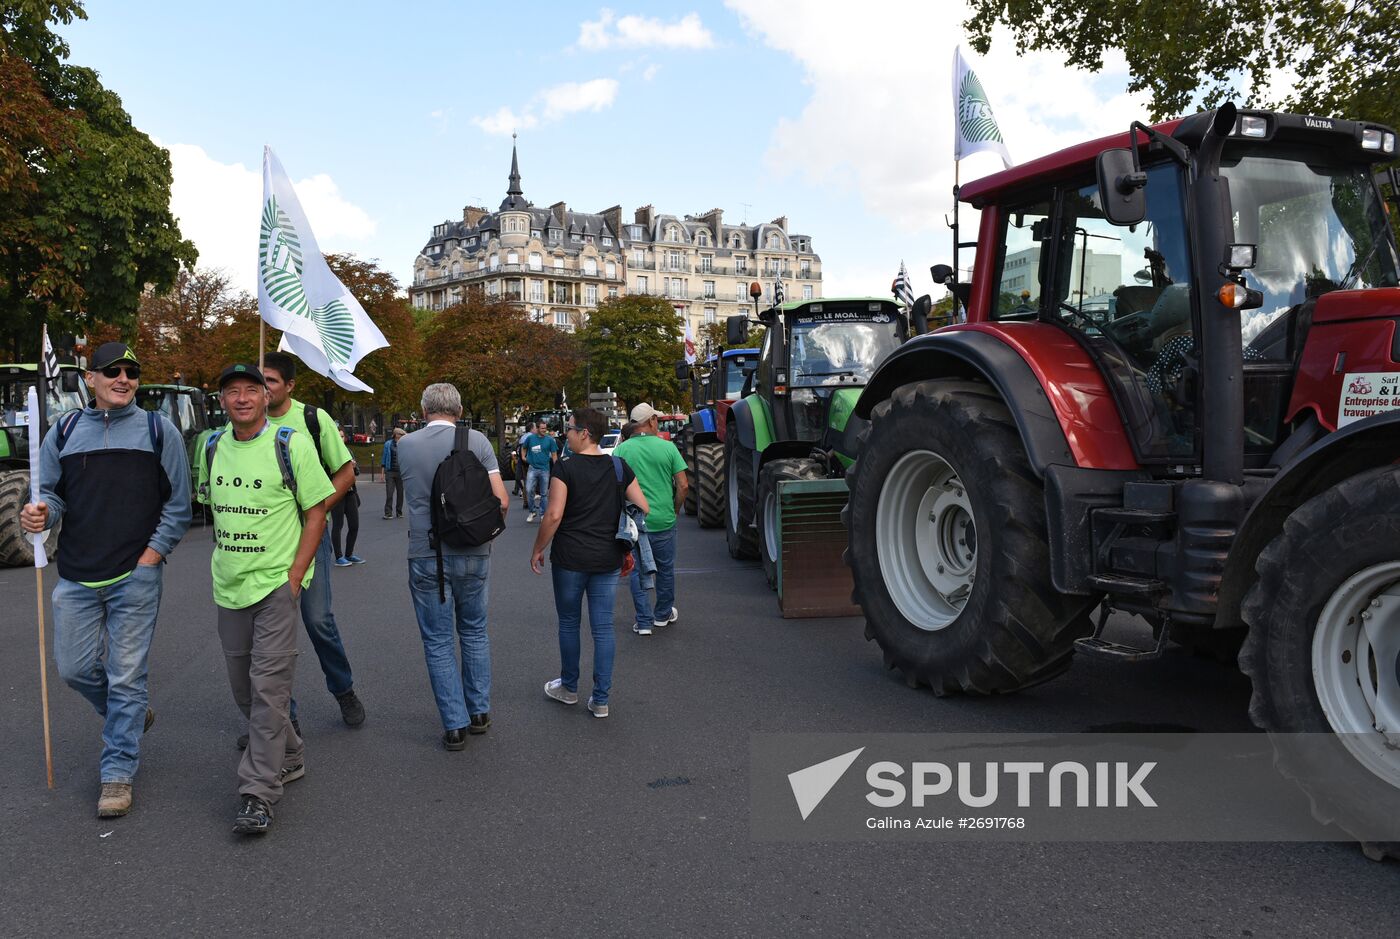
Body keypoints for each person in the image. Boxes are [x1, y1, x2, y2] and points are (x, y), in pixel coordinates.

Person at [21, 342, 191, 818]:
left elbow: (179, 505)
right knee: (73, 669)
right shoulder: (65, 430)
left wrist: (151, 557)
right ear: (90, 379)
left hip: (135, 576)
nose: (124, 379)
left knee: (126, 675)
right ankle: (130, 714)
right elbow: (50, 496)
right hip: (76, 575)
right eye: (113, 371)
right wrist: (38, 515)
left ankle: (117, 774)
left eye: (132, 372)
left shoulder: (161, 431)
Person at [207, 363, 335, 835]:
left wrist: (295, 576)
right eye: (231, 392)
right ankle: (293, 752)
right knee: (244, 688)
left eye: (250, 390)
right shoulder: (212, 445)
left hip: (276, 589)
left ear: (266, 397)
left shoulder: (291, 444)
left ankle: (257, 794)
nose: (241, 398)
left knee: (268, 690)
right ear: (222, 401)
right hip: (229, 586)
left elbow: (317, 509)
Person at [398, 383, 509, 750]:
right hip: (474, 551)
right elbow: (501, 501)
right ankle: (479, 713)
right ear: (459, 410)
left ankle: (454, 725)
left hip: (427, 553)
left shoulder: (405, 446)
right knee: (475, 631)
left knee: (438, 640)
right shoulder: (477, 441)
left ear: (423, 409)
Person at [261, 351, 366, 728]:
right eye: (259, 380)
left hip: (310, 536)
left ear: (289, 385)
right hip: (263, 543)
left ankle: (343, 689)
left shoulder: (311, 418)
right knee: (271, 632)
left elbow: (346, 473)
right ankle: (278, 718)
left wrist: (314, 509)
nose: (262, 388)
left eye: (271, 380)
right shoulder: (242, 422)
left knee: (318, 620)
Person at [531, 407, 647, 719]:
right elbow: (642, 505)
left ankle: (568, 688)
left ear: (584, 433)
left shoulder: (565, 469)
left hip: (570, 557)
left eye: (569, 429)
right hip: (608, 557)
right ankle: (600, 699)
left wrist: (538, 548)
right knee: (603, 627)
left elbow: (553, 515)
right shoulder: (619, 467)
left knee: (569, 623)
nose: (565, 434)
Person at [614, 403, 690, 636]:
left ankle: (644, 621)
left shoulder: (621, 451)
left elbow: (615, 487)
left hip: (634, 524)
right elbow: (683, 485)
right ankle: (662, 614)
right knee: (665, 570)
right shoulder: (667, 448)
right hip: (663, 520)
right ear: (651, 421)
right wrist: (675, 509)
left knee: (637, 572)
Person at [331, 428, 363, 566]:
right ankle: (339, 557)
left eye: (342, 436)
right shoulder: (330, 452)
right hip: (337, 493)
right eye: (337, 436)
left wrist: (354, 467)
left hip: (350, 492)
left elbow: (357, 472)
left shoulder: (349, 451)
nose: (340, 438)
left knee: (354, 525)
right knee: (338, 525)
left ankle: (349, 554)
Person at [523, 419, 558, 522]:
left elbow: (554, 454)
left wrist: (556, 467)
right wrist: (523, 457)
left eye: (545, 428)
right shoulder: (530, 438)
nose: (544, 430)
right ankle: (532, 511)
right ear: (537, 428)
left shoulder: (550, 440)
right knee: (529, 490)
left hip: (545, 469)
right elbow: (524, 448)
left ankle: (543, 514)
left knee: (544, 494)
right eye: (542, 428)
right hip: (532, 468)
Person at [382, 427, 406, 518]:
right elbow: (384, 458)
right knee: (389, 493)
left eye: (402, 435)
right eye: (400, 434)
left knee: (400, 493)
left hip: (400, 472)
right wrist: (382, 473)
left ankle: (399, 512)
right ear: (395, 435)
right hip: (390, 472)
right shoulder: (388, 444)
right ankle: (388, 513)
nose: (401, 436)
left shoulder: (404, 444)